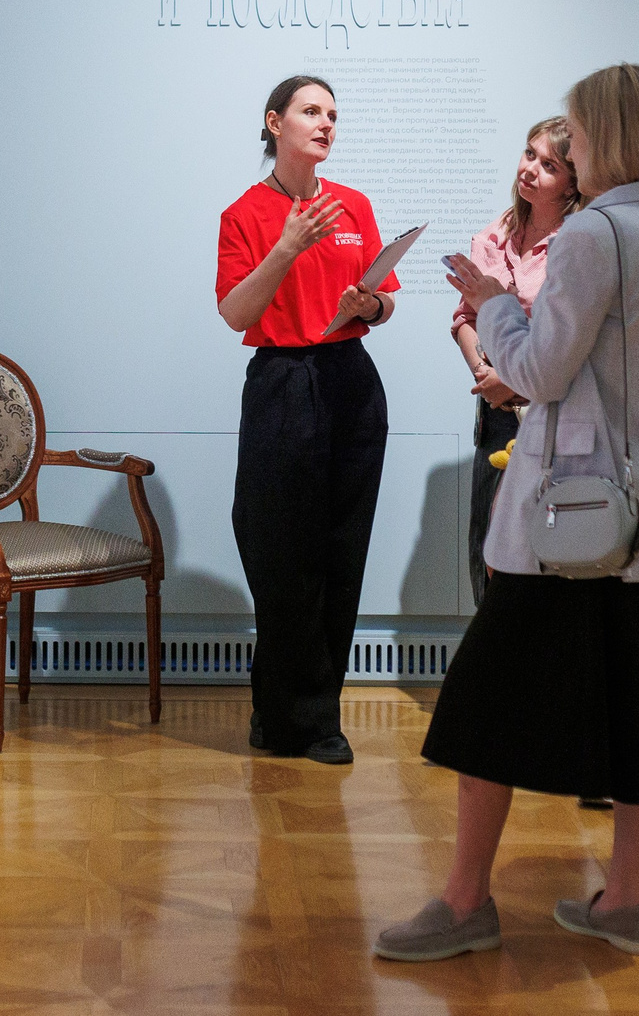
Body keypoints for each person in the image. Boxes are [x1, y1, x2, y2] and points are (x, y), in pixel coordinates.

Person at [373, 64, 639, 962]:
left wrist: (494, 304)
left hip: (572, 517)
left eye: (575, 132)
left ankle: (465, 897)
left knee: (485, 701)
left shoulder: (595, 234)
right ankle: (626, 900)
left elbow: (539, 371)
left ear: (603, 134)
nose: (567, 147)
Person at [216, 74, 399, 766]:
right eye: (310, 111)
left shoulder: (354, 203)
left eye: (332, 113)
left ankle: (318, 716)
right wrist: (287, 247)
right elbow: (236, 312)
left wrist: (368, 304)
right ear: (274, 122)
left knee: (340, 549)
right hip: (282, 382)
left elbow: (386, 304)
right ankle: (280, 708)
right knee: (278, 548)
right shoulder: (245, 213)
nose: (325, 123)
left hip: (350, 377)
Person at [451, 117, 579, 612]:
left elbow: (567, 334)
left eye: (549, 165)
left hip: (551, 413)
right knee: (487, 541)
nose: (531, 170)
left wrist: (511, 376)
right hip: (497, 409)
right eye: (529, 154)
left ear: (573, 181)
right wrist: (484, 374)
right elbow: (464, 316)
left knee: (544, 550)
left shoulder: (577, 240)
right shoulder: (496, 232)